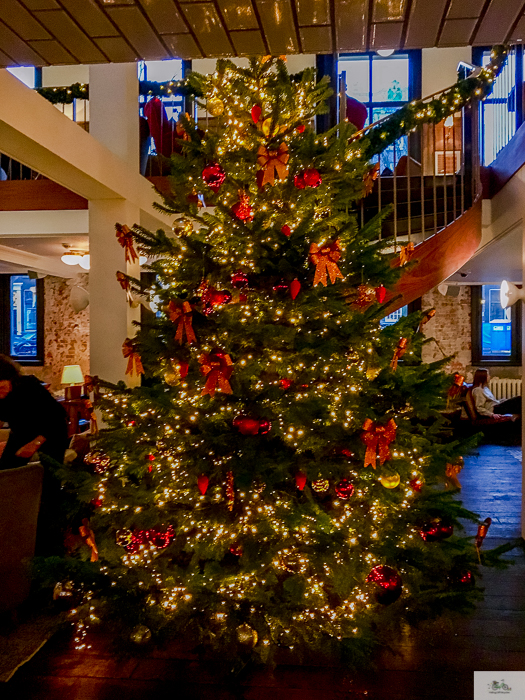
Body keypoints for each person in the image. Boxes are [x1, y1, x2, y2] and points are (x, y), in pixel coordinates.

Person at [0, 355, 69, 555]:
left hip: (51, 433)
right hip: (21, 434)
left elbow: (57, 417)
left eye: (2, 386)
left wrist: (36, 443)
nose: (1, 392)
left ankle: (48, 541)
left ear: (9, 378)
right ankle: (14, 527)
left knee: (47, 485)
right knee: (7, 475)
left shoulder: (29, 387)